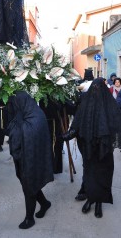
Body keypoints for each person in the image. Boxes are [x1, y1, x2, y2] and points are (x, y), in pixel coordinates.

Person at [62, 78, 121, 218]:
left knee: (102, 175)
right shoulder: (85, 104)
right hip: (88, 148)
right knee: (90, 175)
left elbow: (117, 124)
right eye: (93, 87)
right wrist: (67, 134)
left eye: (98, 88)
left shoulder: (111, 105)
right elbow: (76, 123)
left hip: (104, 150)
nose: (96, 90)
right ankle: (90, 199)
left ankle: (99, 203)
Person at [6, 91, 54, 229]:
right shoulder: (26, 114)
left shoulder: (35, 117)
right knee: (29, 184)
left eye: (16, 104)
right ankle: (45, 203)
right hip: (24, 158)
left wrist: (17, 130)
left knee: (29, 185)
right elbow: (12, 129)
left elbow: (23, 134)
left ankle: (29, 218)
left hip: (32, 159)